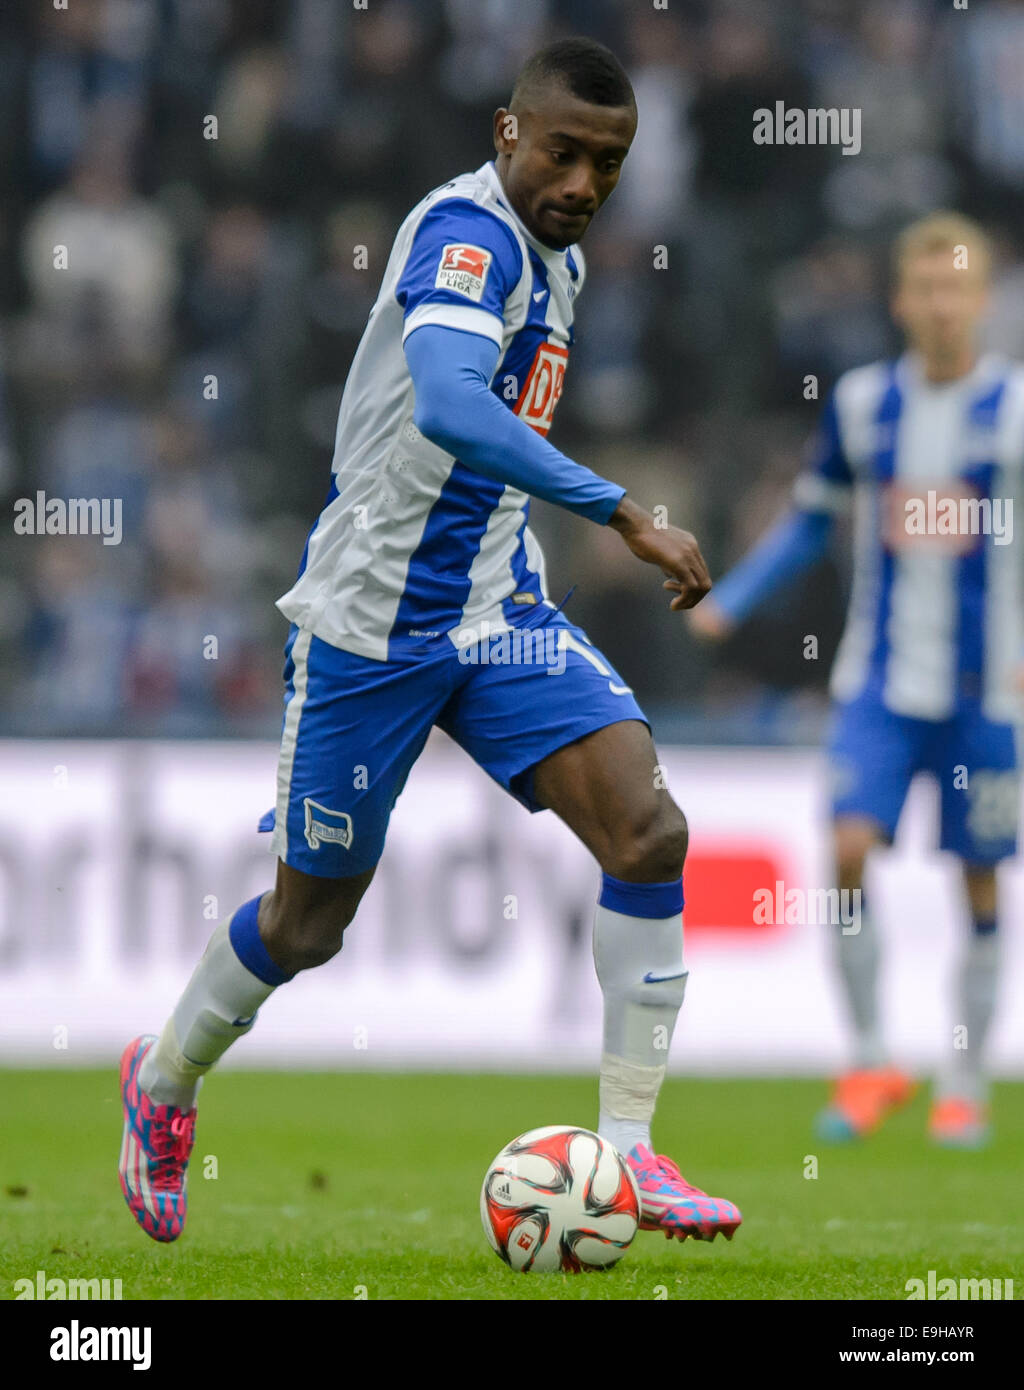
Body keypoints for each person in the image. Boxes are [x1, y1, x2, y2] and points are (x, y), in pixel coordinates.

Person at [119, 37, 741, 1247]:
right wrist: (624, 511)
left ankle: (630, 1156)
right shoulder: (467, 241)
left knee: (650, 829)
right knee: (309, 925)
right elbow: (454, 406)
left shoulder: (556, 257)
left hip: (497, 614)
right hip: (369, 626)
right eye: (560, 152)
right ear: (507, 134)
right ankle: (162, 1079)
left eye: (605, 164)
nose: (581, 183)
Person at [690, 212, 1022, 1149]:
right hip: (877, 685)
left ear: (982, 300)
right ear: (901, 302)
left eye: (959, 287)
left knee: (982, 884)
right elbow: (809, 519)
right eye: (926, 288)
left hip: (987, 694)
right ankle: (873, 1057)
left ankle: (965, 1080)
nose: (943, 304)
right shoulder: (865, 403)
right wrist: (737, 596)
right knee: (844, 853)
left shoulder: (1017, 412)